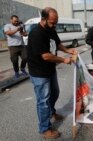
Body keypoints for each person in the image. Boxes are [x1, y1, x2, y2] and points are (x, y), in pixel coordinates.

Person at [27, 7, 77, 139]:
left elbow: (57, 43)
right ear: (43, 19)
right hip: (39, 72)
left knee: (55, 93)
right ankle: (44, 129)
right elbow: (46, 56)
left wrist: (68, 50)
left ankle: (51, 112)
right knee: (43, 101)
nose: (54, 25)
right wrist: (64, 59)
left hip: (49, 69)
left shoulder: (51, 29)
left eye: (56, 22)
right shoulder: (36, 33)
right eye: (52, 22)